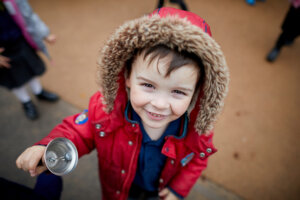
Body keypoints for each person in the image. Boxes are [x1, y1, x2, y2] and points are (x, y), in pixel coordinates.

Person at [16, 7, 229, 200]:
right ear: (126, 75)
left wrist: (178, 190)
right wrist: (48, 148)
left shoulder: (196, 130)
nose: (160, 104)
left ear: (197, 93)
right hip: (117, 191)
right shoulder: (106, 111)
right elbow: (78, 131)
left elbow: (197, 161)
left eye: (178, 92)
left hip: (160, 192)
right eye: (148, 85)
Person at [0, 0, 59, 120]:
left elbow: (28, 14)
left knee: (30, 70)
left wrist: (44, 34)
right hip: (2, 53)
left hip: (19, 39)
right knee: (15, 80)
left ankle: (38, 92)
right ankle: (26, 101)